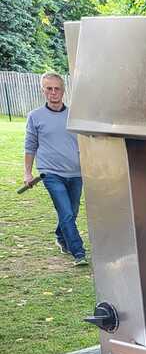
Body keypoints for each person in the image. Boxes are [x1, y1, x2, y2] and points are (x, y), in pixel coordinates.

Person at [23, 72, 87, 266]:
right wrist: (27, 172)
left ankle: (61, 235)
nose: (53, 92)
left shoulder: (75, 116)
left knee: (72, 211)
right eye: (48, 88)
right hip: (50, 173)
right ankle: (79, 253)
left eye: (56, 88)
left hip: (76, 172)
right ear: (43, 91)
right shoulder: (35, 117)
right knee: (66, 212)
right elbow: (30, 146)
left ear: (63, 90)